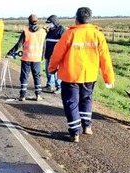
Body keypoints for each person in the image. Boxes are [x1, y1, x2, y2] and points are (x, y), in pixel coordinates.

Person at [48, 7, 115, 143]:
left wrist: (52, 68)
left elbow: (57, 54)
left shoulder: (69, 34)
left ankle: (75, 133)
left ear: (76, 19)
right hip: (89, 76)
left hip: (70, 76)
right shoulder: (97, 35)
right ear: (89, 19)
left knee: (71, 103)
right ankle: (87, 127)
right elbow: (105, 58)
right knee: (86, 100)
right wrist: (109, 78)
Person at [6, 14, 47, 101]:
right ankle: (38, 95)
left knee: (24, 76)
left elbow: (19, 44)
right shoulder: (43, 32)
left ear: (29, 21)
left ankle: (22, 95)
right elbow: (44, 46)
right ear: (37, 21)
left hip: (26, 58)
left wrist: (10, 53)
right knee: (37, 76)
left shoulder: (26, 31)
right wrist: (42, 57)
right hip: (37, 59)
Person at [43, 15, 66, 94]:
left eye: (50, 23)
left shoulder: (62, 30)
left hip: (57, 55)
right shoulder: (49, 31)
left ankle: (59, 86)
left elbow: (64, 44)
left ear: (54, 22)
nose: (49, 24)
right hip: (48, 54)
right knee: (48, 70)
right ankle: (50, 85)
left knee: (57, 72)